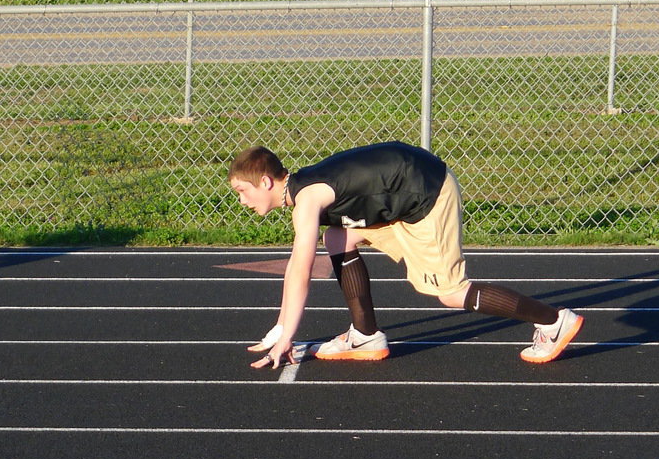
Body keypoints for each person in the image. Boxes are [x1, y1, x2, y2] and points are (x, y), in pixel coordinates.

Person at [228, 141, 582, 370]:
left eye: (243, 191)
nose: (242, 201)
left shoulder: (306, 200)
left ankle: (553, 321)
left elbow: (300, 270)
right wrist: (280, 328)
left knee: (450, 292)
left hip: (426, 193)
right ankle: (365, 335)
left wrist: (286, 334)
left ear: (266, 182)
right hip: (400, 194)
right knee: (337, 237)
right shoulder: (304, 187)